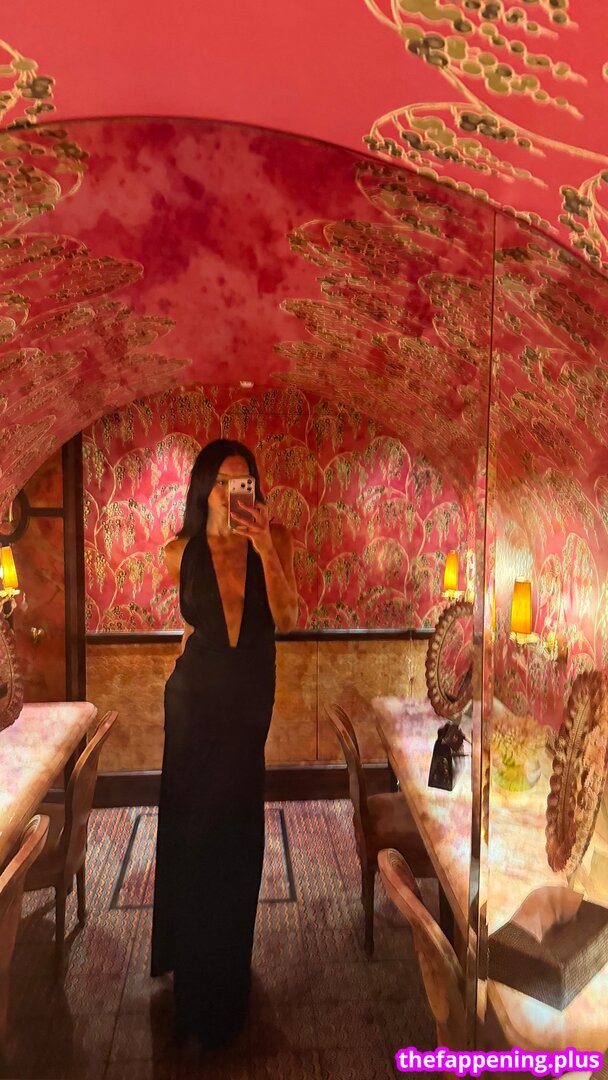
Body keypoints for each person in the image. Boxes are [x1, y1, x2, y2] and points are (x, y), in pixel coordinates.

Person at [150, 438, 298, 1049]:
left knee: (238, 834)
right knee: (194, 833)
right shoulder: (177, 551)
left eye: (244, 483)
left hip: (248, 706)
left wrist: (263, 547)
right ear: (204, 489)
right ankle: (193, 979)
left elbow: (288, 617)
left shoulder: (275, 540)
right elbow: (198, 628)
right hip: (194, 709)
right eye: (222, 483)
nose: (235, 493)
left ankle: (230, 975)